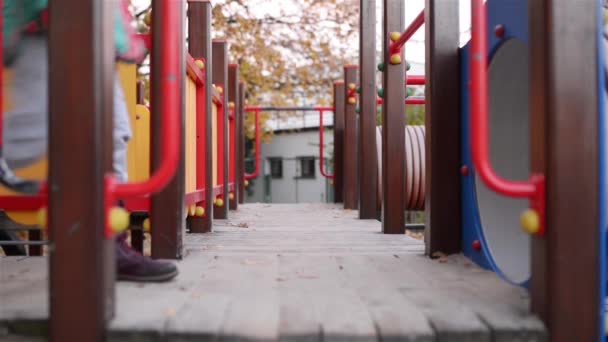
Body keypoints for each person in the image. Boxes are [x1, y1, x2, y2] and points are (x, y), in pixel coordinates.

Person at [2, 0, 178, 282]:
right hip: (44, 22)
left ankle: (107, 245)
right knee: (25, 140)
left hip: (99, 27)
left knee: (114, 132)